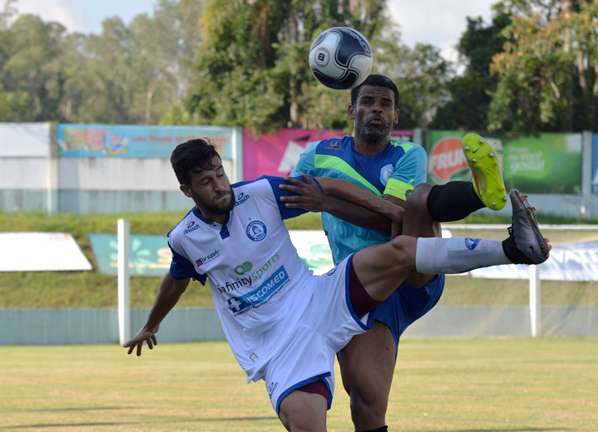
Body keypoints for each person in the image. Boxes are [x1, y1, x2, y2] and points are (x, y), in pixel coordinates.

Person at [124, 138, 549, 432]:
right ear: (186, 190)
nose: (220, 185)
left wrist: (384, 206)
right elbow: (175, 282)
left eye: (219, 172)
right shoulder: (184, 238)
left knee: (401, 250)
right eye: (206, 182)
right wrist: (151, 324)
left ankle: (516, 249)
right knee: (308, 425)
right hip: (276, 347)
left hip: (317, 296)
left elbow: (325, 185)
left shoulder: (260, 192)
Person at [286, 74, 510, 432]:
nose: (377, 108)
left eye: (385, 104)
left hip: (410, 274)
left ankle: (479, 194)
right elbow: (285, 197)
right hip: (360, 289)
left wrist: (325, 200)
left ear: (395, 116)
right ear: (351, 110)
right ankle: (485, 206)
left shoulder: (408, 153)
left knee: (417, 202)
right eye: (368, 102)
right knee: (364, 402)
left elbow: (388, 217)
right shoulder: (318, 154)